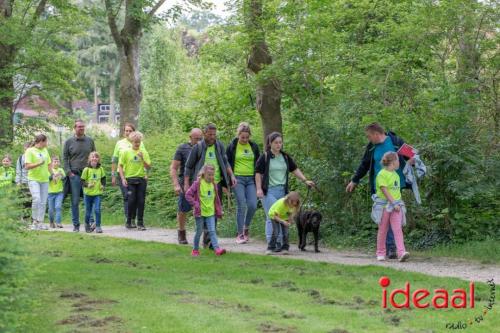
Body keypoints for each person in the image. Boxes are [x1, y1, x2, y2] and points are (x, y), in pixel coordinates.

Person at [345, 122, 412, 259]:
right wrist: (354, 180)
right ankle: (390, 248)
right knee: (384, 218)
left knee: (395, 215)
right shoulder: (371, 147)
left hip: (396, 187)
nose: (368, 139)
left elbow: (410, 154)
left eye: (369, 136)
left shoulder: (395, 141)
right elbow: (364, 164)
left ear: (376, 134)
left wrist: (416, 161)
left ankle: (393, 248)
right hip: (380, 188)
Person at [255, 132, 315, 247]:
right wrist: (258, 189)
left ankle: (282, 243)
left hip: (283, 192)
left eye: (280, 142)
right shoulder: (265, 157)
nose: (278, 145)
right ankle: (272, 243)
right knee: (272, 216)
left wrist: (305, 180)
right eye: (276, 142)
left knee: (284, 216)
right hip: (269, 191)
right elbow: (258, 173)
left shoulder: (285, 157)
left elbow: (294, 169)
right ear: (270, 143)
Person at [184, 123, 237, 247]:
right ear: (204, 133)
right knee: (203, 211)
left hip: (216, 184)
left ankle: (210, 241)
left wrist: (232, 176)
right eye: (210, 134)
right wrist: (186, 184)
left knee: (214, 211)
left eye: (214, 134)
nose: (213, 137)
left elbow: (225, 162)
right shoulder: (198, 147)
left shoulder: (219, 146)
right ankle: (205, 239)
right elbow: (188, 166)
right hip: (201, 184)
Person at [226, 122, 260, 243]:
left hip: (251, 179)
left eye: (247, 137)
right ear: (238, 135)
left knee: (252, 205)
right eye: (242, 137)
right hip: (237, 178)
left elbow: (259, 164)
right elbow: (227, 163)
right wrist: (231, 177)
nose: (245, 139)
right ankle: (240, 234)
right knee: (241, 204)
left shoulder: (254, 147)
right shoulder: (232, 146)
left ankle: (246, 227)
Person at [169, 128, 203, 244]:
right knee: (183, 209)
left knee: (203, 209)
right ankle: (181, 232)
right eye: (196, 139)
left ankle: (205, 235)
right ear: (190, 137)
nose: (198, 141)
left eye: (200, 139)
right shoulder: (182, 148)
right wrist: (176, 184)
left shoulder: (205, 147)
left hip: (201, 182)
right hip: (185, 183)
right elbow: (173, 168)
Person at [375, 152, 410, 262]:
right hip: (384, 206)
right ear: (393, 162)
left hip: (397, 206)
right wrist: (393, 203)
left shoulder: (396, 174)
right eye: (398, 160)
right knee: (383, 229)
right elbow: (384, 190)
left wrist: (397, 203)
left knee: (398, 229)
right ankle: (380, 253)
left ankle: (401, 252)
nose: (399, 162)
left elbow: (396, 191)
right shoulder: (382, 174)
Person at [185, 164, 226, 257]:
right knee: (199, 231)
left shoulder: (214, 184)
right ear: (204, 174)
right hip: (200, 213)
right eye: (209, 175)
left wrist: (219, 209)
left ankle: (217, 249)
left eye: (212, 175)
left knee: (212, 231)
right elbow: (188, 195)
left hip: (210, 213)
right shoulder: (198, 183)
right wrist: (196, 204)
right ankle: (195, 250)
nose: (211, 177)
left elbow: (216, 199)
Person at [63, 119, 96, 232]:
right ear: (74, 128)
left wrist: (94, 170)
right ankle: (76, 225)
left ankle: (90, 222)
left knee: (89, 198)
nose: (81, 128)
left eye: (83, 126)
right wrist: (69, 173)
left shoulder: (90, 141)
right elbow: (65, 158)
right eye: (79, 127)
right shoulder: (68, 142)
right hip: (75, 175)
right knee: (75, 200)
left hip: (88, 174)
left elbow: (94, 156)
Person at [111, 123, 146, 226]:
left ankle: (132, 218)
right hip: (122, 173)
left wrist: (145, 173)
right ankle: (128, 218)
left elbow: (143, 159)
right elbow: (114, 159)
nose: (128, 132)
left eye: (130, 131)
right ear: (124, 132)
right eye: (126, 130)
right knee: (127, 196)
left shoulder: (140, 142)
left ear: (134, 132)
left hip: (136, 174)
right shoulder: (119, 143)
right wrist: (113, 175)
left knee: (135, 198)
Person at [118, 131, 151, 231]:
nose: (137, 144)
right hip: (130, 179)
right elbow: (120, 166)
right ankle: (129, 220)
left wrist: (142, 158)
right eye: (135, 142)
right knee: (131, 200)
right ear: (131, 142)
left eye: (139, 142)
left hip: (141, 179)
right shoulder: (126, 152)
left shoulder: (144, 152)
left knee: (141, 201)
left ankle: (140, 222)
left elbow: (148, 166)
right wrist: (123, 178)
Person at [24, 134, 52, 230]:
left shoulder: (45, 150)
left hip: (44, 179)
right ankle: (34, 222)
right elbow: (27, 166)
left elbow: (49, 164)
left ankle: (40, 222)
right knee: (37, 199)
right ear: (41, 142)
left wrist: (53, 174)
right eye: (46, 142)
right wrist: (38, 163)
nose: (47, 143)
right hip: (33, 179)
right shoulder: (29, 151)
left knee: (43, 202)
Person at [81, 152, 106, 233]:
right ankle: (87, 225)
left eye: (96, 157)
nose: (94, 158)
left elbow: (103, 179)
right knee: (88, 211)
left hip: (97, 194)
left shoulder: (101, 169)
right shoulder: (86, 169)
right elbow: (82, 182)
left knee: (97, 210)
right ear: (90, 159)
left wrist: (103, 185)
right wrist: (88, 185)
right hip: (88, 194)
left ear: (98, 159)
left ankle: (98, 226)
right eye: (92, 157)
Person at [15, 142, 32, 221]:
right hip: (24, 183)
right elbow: (18, 171)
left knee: (34, 200)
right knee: (26, 201)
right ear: (24, 149)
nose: (28, 150)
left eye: (29, 148)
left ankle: (34, 218)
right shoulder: (21, 158)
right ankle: (25, 218)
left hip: (34, 181)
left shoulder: (34, 157)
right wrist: (18, 182)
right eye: (26, 148)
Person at [48, 156, 66, 229]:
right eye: (55, 161)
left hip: (59, 192)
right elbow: (47, 179)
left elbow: (64, 178)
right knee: (51, 209)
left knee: (58, 207)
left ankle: (58, 222)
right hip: (50, 193)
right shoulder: (49, 170)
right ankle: (51, 222)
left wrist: (60, 175)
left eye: (58, 161)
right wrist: (52, 176)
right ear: (51, 163)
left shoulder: (61, 170)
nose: (56, 163)